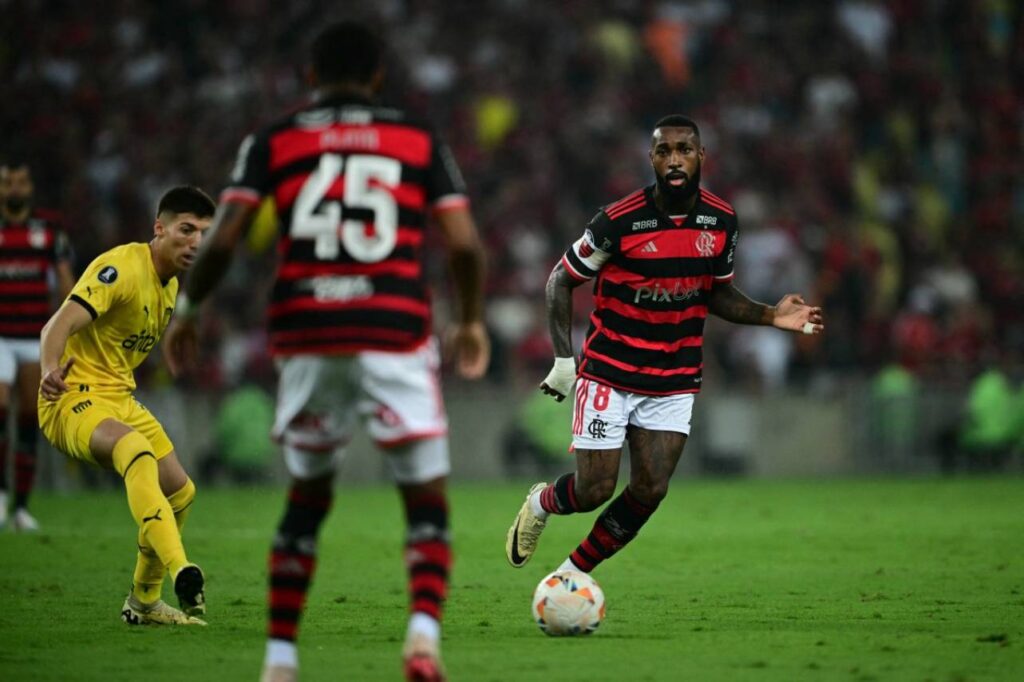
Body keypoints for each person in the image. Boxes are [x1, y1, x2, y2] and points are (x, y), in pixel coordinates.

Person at [162, 21, 489, 682]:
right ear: (377, 77)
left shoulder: (275, 139)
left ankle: (280, 660)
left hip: (307, 330)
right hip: (393, 330)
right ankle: (423, 637)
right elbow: (464, 245)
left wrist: (188, 310)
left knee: (308, 497)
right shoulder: (416, 137)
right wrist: (472, 320)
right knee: (424, 498)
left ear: (310, 76)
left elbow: (222, 241)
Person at [505, 115, 824, 577]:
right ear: (651, 158)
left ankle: (571, 576)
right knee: (595, 489)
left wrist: (770, 315)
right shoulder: (616, 221)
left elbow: (715, 291)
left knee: (651, 489)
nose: (674, 158)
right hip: (610, 370)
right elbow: (560, 279)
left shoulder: (721, 221)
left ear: (701, 157)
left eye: (684, 149)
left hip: (673, 377)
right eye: (664, 150)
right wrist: (562, 359)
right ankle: (541, 502)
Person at [38, 185, 213, 625]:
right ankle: (182, 569)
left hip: (119, 398)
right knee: (135, 450)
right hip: (72, 397)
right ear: (159, 228)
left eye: (203, 235)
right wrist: (47, 370)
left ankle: (143, 601)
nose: (195, 242)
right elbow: (56, 326)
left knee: (181, 491)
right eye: (186, 229)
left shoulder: (169, 286)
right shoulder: (121, 267)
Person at [0, 159, 75, 531]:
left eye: (19, 182)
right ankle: (0, 495)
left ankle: (20, 508)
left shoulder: (48, 230)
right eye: (7, 182)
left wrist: (73, 325)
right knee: (0, 408)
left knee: (30, 418)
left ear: (28, 188)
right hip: (0, 337)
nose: (14, 188)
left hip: (33, 337)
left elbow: (65, 280)